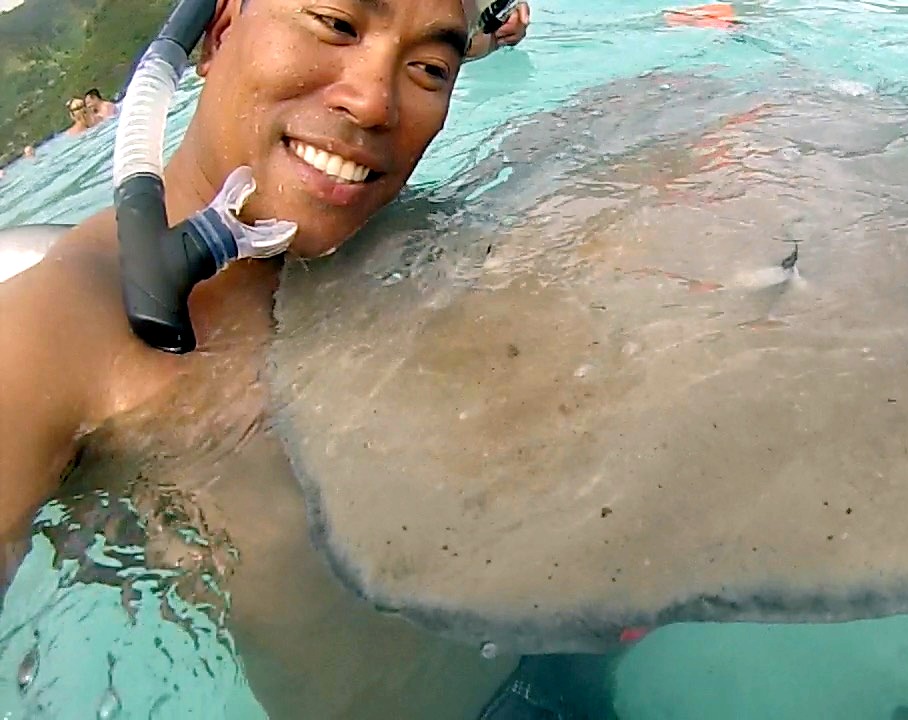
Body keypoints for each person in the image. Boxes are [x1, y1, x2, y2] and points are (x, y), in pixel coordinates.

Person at [0, 0, 533, 717]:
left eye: (428, 68)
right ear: (219, 33)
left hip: (561, 661)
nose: (374, 101)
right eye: (336, 24)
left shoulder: (391, 241)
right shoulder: (60, 327)